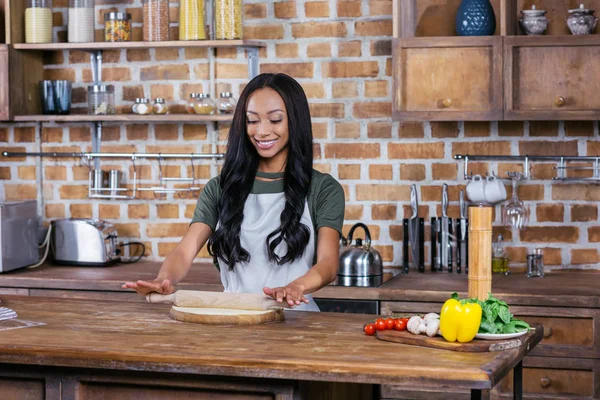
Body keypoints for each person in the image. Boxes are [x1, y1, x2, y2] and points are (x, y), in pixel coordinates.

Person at [123, 73, 345, 311]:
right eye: (252, 121)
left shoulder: (322, 189)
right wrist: (163, 279)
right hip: (234, 321)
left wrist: (297, 287)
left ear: (295, 121)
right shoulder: (220, 188)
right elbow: (185, 251)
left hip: (298, 323)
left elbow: (328, 264)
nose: (261, 131)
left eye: (275, 120)